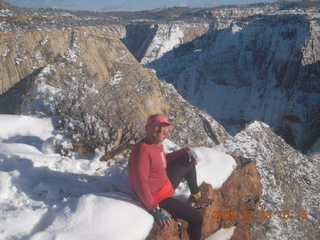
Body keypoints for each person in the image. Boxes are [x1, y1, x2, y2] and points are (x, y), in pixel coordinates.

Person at [128, 113, 214, 240]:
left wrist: (184, 151)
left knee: (188, 160)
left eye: (165, 127)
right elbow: (140, 183)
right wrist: (154, 209)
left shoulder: (157, 144)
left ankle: (196, 196)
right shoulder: (142, 151)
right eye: (157, 126)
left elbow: (162, 161)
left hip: (164, 185)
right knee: (196, 217)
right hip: (157, 197)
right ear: (147, 128)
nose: (162, 130)